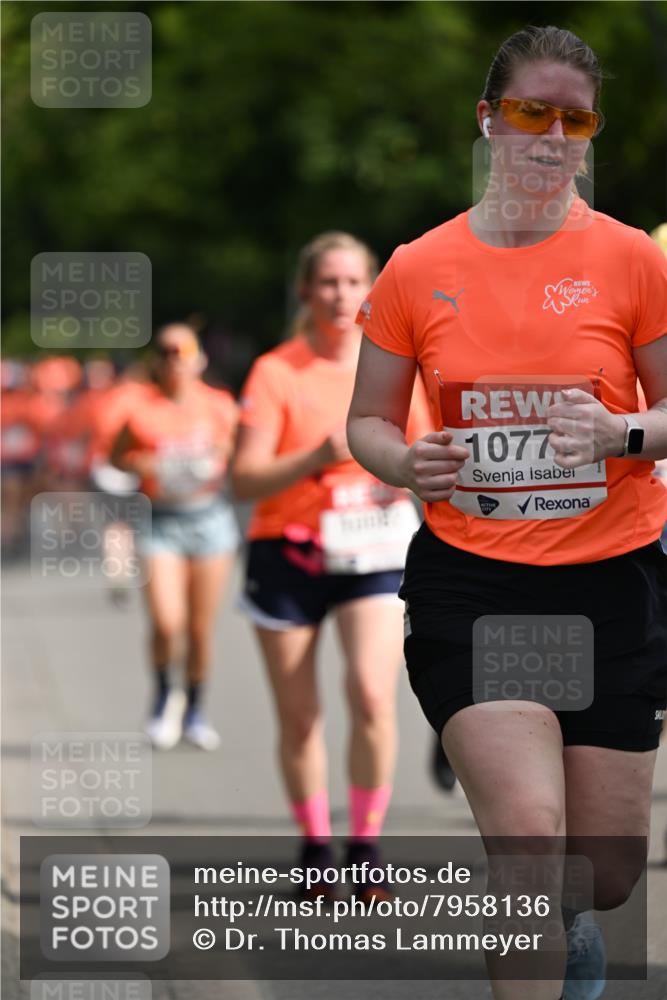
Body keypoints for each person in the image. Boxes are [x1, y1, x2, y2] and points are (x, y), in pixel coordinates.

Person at [347, 25, 667, 1000]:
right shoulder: (416, 267)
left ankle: (568, 928)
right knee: (529, 843)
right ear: (488, 119)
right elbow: (367, 421)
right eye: (532, 112)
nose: (552, 137)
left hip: (613, 583)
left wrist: (621, 434)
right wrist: (407, 459)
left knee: (599, 875)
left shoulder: (630, 260)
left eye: (576, 121)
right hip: (476, 585)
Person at [231, 232, 431, 898]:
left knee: (372, 694)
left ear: (371, 288)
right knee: (300, 718)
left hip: (373, 552)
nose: (341, 295)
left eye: (352, 282)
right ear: (305, 290)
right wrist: (314, 457)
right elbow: (244, 479)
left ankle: (365, 847)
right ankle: (316, 848)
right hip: (287, 550)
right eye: (327, 282)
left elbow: (429, 456)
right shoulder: (276, 371)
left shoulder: (397, 366)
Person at [111, 324, 239, 750]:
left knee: (200, 629)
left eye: (183, 351)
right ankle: (165, 695)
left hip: (209, 520)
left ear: (199, 359)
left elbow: (242, 450)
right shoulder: (141, 410)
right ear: (156, 361)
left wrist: (221, 456)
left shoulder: (220, 406)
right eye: (166, 351)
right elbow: (117, 457)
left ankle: (196, 709)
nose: (174, 359)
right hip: (160, 522)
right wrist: (142, 464)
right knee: (167, 623)